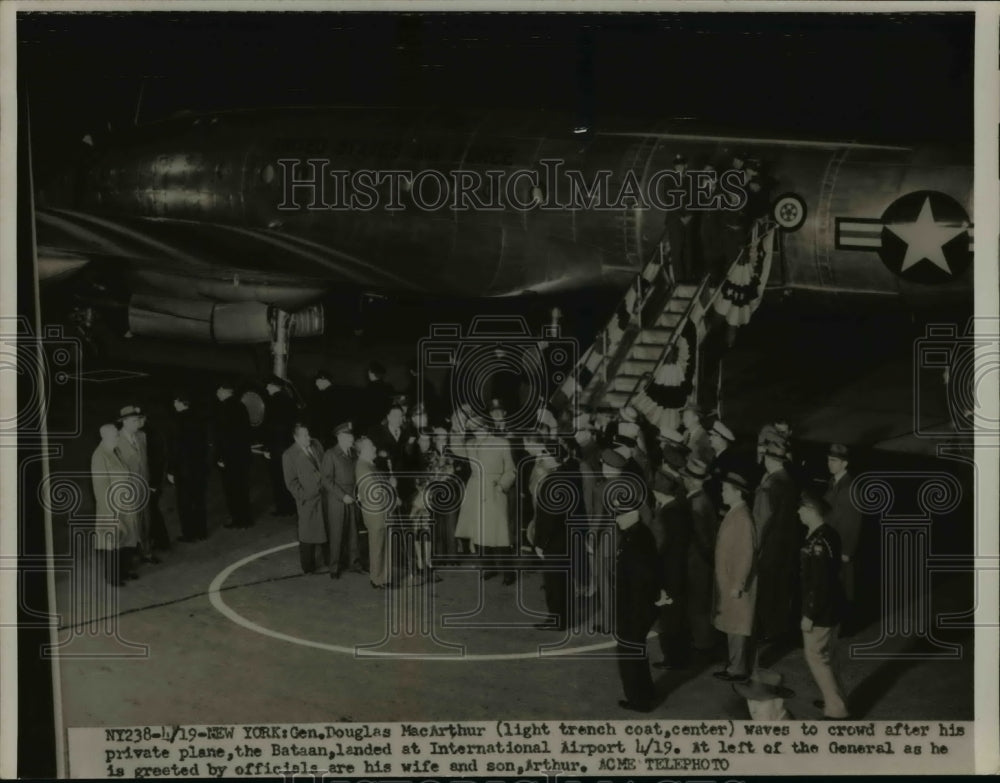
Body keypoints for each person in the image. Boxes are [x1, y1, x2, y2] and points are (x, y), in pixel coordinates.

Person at [798, 489, 850, 720]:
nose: (797, 511)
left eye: (801, 508)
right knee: (829, 656)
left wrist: (809, 613)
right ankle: (837, 699)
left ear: (811, 511)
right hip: (833, 606)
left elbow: (819, 583)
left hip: (821, 610)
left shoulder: (818, 542)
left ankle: (836, 708)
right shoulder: (828, 534)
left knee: (816, 657)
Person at [751, 439, 801, 669]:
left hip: (769, 547)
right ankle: (777, 629)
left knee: (766, 592)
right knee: (779, 591)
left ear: (769, 459)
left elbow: (762, 521)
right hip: (785, 546)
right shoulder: (788, 481)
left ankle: (765, 634)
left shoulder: (770, 485)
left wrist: (755, 547)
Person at [452, 416, 516, 583]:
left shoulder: (502, 443)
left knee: (499, 532)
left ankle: (509, 572)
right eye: (470, 426)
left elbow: (511, 469)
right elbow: (455, 448)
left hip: (494, 489)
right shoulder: (470, 444)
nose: (471, 428)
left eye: (474, 425)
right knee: (478, 530)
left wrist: (503, 485)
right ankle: (489, 567)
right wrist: (457, 430)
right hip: (475, 489)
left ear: (485, 426)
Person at [531, 440, 584, 631]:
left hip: (554, 540)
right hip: (568, 535)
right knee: (564, 580)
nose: (540, 459)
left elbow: (548, 518)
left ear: (553, 459)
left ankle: (558, 619)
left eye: (543, 456)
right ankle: (565, 616)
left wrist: (540, 542)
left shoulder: (551, 481)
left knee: (554, 582)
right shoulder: (570, 474)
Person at [613, 507, 661, 712]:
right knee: (637, 649)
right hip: (639, 607)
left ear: (630, 516)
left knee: (628, 652)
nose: (616, 520)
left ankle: (638, 700)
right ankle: (646, 691)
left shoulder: (635, 541)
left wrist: (630, 613)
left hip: (634, 609)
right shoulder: (639, 534)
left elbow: (640, 581)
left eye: (618, 516)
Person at [712, 471, 757, 682]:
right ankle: (734, 665)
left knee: (737, 626)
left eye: (725, 489)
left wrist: (738, 584)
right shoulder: (735, 513)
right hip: (728, 580)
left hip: (735, 583)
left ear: (737, 493)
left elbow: (745, 553)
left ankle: (737, 670)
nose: (722, 493)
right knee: (732, 624)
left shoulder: (742, 518)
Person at [650, 469, 692, 670]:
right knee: (677, 615)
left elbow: (659, 548)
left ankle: (673, 658)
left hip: (667, 574)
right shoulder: (679, 508)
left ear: (657, 492)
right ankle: (679, 656)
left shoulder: (666, 514)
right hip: (680, 571)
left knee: (668, 618)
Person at [91, 423, 141, 585]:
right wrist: (112, 516)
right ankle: (113, 577)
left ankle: (124, 571)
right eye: (115, 435)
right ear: (105, 437)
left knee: (126, 539)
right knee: (112, 542)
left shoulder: (115, 451)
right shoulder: (99, 456)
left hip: (125, 505)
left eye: (117, 435)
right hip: (111, 507)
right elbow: (101, 489)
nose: (118, 437)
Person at [680, 456, 719, 653]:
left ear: (692, 481)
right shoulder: (702, 499)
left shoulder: (696, 504)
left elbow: (703, 539)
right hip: (701, 562)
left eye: (686, 478)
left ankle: (703, 645)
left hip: (698, 564)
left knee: (698, 605)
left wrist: (708, 561)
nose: (684, 480)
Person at [823, 443, 862, 634]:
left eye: (834, 461)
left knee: (842, 588)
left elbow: (853, 521)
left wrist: (847, 551)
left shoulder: (849, 487)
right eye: (829, 459)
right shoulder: (835, 482)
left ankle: (842, 627)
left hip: (840, 547)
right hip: (831, 544)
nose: (829, 464)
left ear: (844, 464)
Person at [282, 424, 328, 575]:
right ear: (295, 438)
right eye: (304, 436)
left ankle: (330, 559)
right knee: (307, 534)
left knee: (327, 529)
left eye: (308, 434)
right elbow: (291, 483)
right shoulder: (289, 455)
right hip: (307, 500)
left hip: (324, 497)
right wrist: (304, 496)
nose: (309, 438)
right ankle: (308, 567)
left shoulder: (316, 445)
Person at [321, 421, 363, 579]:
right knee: (337, 533)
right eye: (347, 436)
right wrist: (342, 495)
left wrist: (357, 493)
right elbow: (326, 480)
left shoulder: (353, 454)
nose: (351, 439)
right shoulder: (330, 454)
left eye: (351, 435)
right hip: (337, 500)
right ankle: (335, 567)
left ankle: (355, 563)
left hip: (352, 497)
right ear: (339, 437)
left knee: (354, 532)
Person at [115, 404, 156, 563]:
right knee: (130, 524)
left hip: (143, 486)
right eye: (133, 420)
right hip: (128, 488)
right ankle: (130, 558)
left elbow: (145, 462)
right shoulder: (116, 440)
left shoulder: (142, 436)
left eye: (138, 420)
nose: (137, 423)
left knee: (146, 521)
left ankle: (147, 553)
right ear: (124, 422)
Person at [167, 392, 208, 542]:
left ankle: (189, 534)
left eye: (176, 402)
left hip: (183, 470)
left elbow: (175, 448)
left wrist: (171, 470)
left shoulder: (176, 421)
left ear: (181, 403)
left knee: (184, 503)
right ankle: (202, 532)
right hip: (199, 467)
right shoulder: (199, 419)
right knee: (199, 501)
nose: (174, 404)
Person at [214, 381, 254, 529]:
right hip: (242, 455)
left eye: (219, 390)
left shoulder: (224, 408)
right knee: (243, 488)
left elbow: (224, 436)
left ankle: (237, 518)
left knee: (232, 490)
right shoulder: (241, 406)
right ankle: (246, 519)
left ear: (226, 391)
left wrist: (221, 457)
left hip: (230, 457)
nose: (217, 393)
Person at [356, 436, 394, 589]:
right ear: (363, 451)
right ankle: (377, 579)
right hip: (376, 514)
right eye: (371, 446)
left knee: (384, 546)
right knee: (377, 547)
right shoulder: (363, 467)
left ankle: (384, 577)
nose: (374, 448)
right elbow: (373, 493)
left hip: (381, 512)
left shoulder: (370, 465)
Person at [263, 375, 297, 516]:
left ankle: (283, 508)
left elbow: (271, 427)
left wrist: (267, 447)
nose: (266, 388)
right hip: (288, 444)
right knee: (288, 477)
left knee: (277, 479)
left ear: (273, 386)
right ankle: (292, 507)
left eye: (267, 385)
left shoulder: (272, 402)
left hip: (276, 446)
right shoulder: (289, 400)